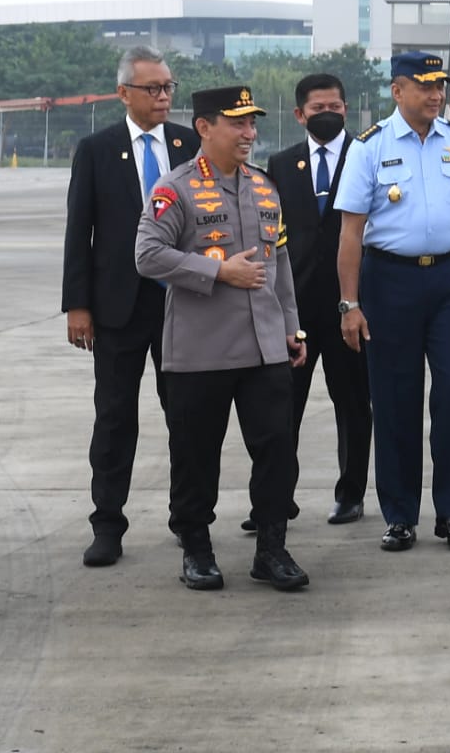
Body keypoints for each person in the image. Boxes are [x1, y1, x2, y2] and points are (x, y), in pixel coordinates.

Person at [134, 86, 309, 592]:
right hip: (200, 352)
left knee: (278, 450)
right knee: (195, 455)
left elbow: (281, 269)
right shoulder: (177, 188)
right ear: (204, 128)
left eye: (252, 124)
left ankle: (272, 548)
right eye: (238, 123)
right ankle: (196, 548)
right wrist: (218, 273)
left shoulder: (264, 187)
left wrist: (291, 329)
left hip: (264, 349)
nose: (249, 133)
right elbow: (147, 255)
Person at [336, 51, 450, 554]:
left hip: (449, 278)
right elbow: (351, 234)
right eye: (423, 86)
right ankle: (400, 514)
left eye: (439, 85)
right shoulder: (369, 148)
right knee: (395, 399)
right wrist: (349, 304)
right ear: (397, 91)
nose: (435, 94)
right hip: (390, 282)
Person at [63, 45, 197, 567]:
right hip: (116, 308)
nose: (163, 97)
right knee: (115, 418)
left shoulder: (190, 143)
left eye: (168, 87)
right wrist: (78, 305)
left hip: (182, 305)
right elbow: (81, 232)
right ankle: (108, 525)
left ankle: (188, 519)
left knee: (186, 416)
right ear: (124, 93)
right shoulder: (97, 149)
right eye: (153, 89)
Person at [265, 73, 373, 525]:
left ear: (346, 109)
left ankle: (351, 493)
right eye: (318, 108)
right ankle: (275, 498)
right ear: (299, 114)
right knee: (282, 408)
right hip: (297, 307)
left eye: (335, 107)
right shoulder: (281, 163)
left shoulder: (367, 156)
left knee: (352, 403)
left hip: (353, 305)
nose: (328, 114)